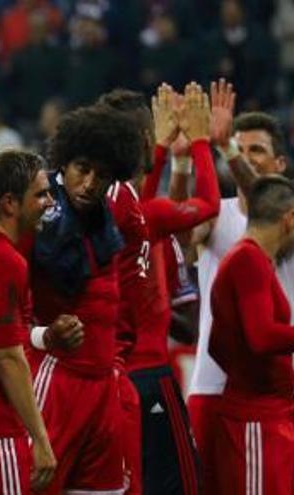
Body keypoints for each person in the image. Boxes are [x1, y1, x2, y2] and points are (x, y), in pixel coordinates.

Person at [101, 82, 220, 495]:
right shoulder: (140, 212)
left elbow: (138, 214)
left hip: (111, 375)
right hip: (150, 372)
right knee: (180, 485)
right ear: (141, 140)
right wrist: (202, 142)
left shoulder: (106, 203)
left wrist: (161, 151)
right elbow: (209, 204)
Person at [27, 104, 143, 495]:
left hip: (103, 381)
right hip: (56, 379)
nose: (90, 183)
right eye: (82, 168)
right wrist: (42, 335)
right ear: (63, 163)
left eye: (102, 175)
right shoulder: (38, 216)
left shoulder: (105, 219)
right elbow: (6, 305)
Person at [0, 149, 84, 494]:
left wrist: (44, 337)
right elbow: (6, 355)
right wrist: (41, 439)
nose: (50, 202)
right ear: (9, 204)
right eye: (41, 194)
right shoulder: (4, 260)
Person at [186, 110, 291, 492]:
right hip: (221, 390)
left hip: (276, 394)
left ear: (281, 163)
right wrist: (183, 158)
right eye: (241, 149)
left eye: (257, 150)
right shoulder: (216, 215)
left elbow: (265, 198)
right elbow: (178, 233)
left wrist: (224, 147)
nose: (246, 158)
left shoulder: (285, 221)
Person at [208, 175, 294, 495]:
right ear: (289, 219)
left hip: (265, 413)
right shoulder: (248, 260)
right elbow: (261, 337)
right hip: (256, 418)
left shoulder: (249, 259)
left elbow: (218, 345)